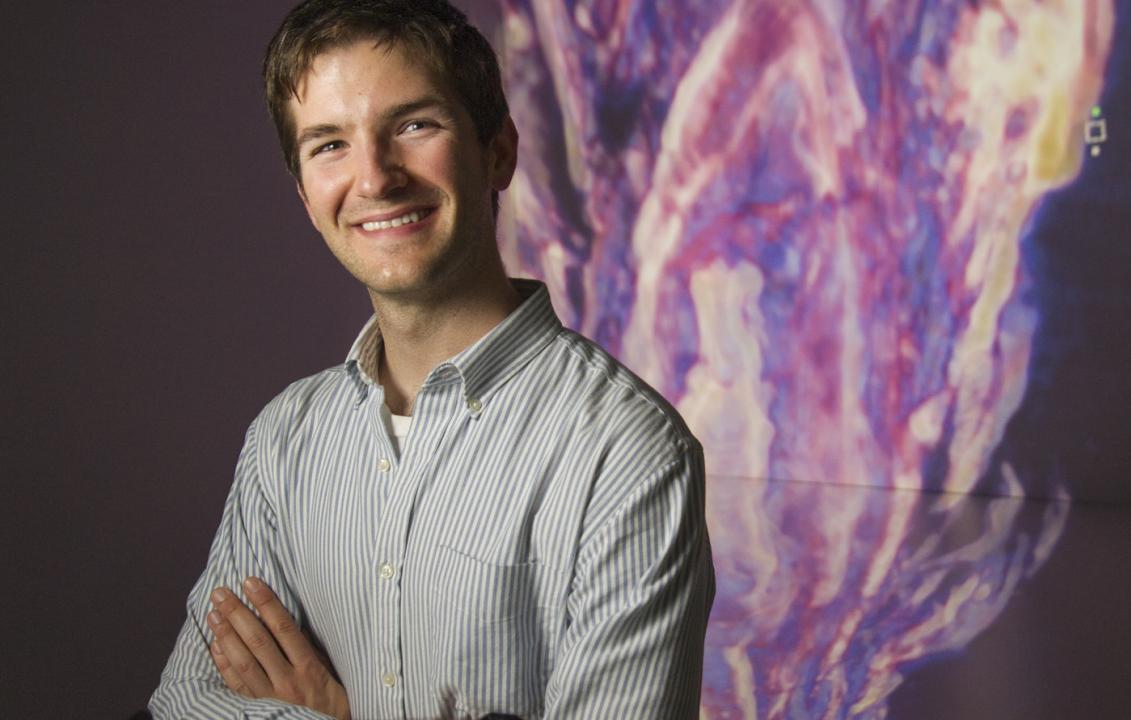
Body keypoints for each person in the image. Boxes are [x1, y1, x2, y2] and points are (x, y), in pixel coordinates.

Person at [148, 1, 715, 718]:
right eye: (329, 145)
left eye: (415, 126)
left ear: (498, 152)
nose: (376, 178)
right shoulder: (283, 441)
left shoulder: (628, 453)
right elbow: (185, 702)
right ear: (304, 194)